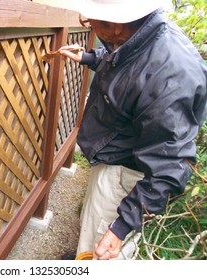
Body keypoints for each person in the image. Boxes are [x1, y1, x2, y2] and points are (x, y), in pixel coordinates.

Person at [60, 0, 207, 260]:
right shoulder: (141, 39)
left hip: (126, 178)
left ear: (114, 25)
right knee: (90, 231)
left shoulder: (171, 73)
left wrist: (120, 227)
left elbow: (169, 166)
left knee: (101, 250)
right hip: (114, 157)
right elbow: (127, 70)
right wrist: (89, 57)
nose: (86, 23)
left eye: (89, 20)